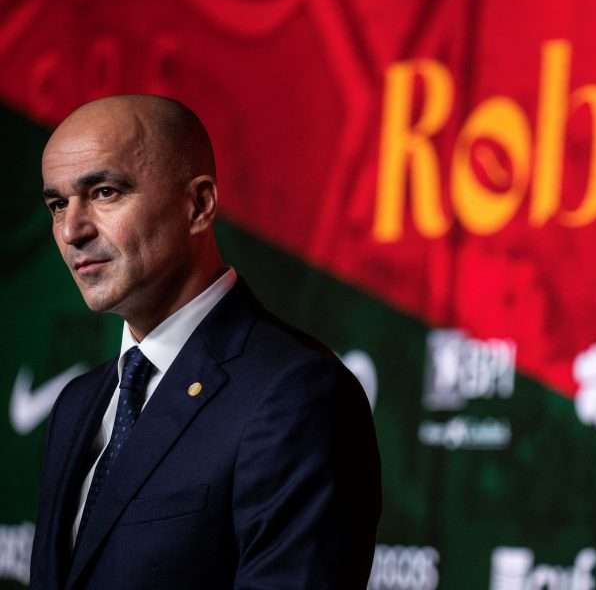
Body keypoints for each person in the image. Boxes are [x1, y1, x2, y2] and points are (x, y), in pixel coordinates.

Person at [30, 94, 381, 589]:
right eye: (58, 204)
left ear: (198, 205)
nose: (72, 230)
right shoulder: (77, 404)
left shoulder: (297, 394)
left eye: (105, 193)